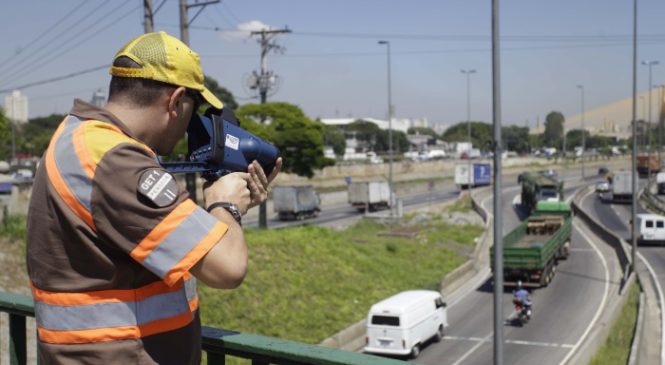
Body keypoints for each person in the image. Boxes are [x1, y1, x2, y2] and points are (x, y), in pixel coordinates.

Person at [26, 31, 282, 364]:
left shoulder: (76, 137)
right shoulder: (117, 163)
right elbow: (227, 269)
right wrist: (225, 205)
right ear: (176, 102)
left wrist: (229, 206)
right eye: (195, 110)